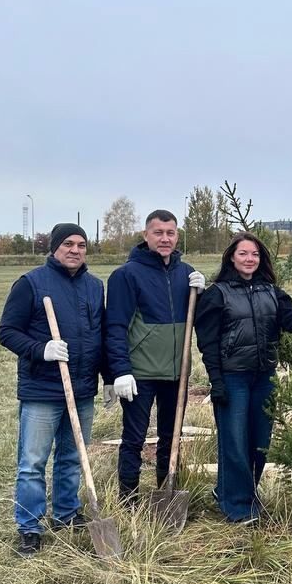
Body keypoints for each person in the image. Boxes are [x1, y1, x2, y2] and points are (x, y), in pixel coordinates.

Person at [0, 223, 105, 556]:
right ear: (55, 247)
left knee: (72, 457)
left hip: (83, 388)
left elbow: (98, 337)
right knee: (32, 462)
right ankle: (29, 526)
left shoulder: (93, 286)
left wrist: (111, 376)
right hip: (42, 390)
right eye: (68, 244)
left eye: (82, 245)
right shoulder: (31, 284)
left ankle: (66, 513)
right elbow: (7, 331)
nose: (75, 250)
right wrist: (40, 349)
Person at [194, 232, 292, 523]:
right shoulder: (217, 294)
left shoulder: (271, 291)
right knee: (234, 440)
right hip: (233, 377)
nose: (249, 259)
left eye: (254, 254)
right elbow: (207, 341)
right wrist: (216, 381)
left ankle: (229, 491)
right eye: (243, 253)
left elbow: (290, 320)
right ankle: (239, 507)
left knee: (259, 442)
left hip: (264, 376)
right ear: (232, 256)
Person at [105, 209, 206, 505]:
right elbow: (115, 327)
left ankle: (166, 492)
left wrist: (203, 294)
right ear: (145, 235)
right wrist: (120, 370)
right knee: (134, 439)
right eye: (158, 233)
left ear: (177, 235)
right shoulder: (126, 275)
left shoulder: (186, 273)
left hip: (177, 373)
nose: (165, 239)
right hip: (140, 374)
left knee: (170, 437)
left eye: (170, 233)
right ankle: (129, 498)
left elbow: (200, 320)